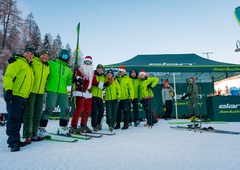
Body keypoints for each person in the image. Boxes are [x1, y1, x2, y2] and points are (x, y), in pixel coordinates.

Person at [3, 47, 34, 152]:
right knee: (14, 118)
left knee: (18, 119)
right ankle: (13, 142)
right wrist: (8, 90)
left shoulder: (29, 67)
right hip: (15, 94)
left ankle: (15, 138)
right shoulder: (17, 61)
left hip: (23, 96)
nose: (29, 55)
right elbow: (8, 76)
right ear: (24, 54)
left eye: (31, 54)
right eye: (27, 53)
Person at [38, 49, 72, 137]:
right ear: (60, 55)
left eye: (66, 56)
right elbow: (41, 64)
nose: (64, 58)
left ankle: (63, 128)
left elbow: (69, 81)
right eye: (63, 56)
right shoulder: (52, 63)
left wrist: (74, 80)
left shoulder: (68, 69)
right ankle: (41, 128)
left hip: (63, 91)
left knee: (65, 109)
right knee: (50, 108)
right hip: (52, 89)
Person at [22, 50, 50, 144]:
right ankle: (27, 135)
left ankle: (34, 134)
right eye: (43, 55)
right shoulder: (34, 61)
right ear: (39, 56)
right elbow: (25, 59)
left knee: (38, 114)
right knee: (29, 113)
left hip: (41, 92)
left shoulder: (47, 67)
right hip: (31, 91)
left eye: (47, 56)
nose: (45, 57)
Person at [70, 56, 95, 133]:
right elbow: (75, 77)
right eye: (86, 62)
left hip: (88, 93)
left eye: (89, 63)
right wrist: (78, 79)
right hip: (80, 91)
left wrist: (103, 84)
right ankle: (73, 125)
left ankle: (83, 125)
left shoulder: (92, 72)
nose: (88, 64)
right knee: (79, 109)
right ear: (84, 62)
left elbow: (95, 82)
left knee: (87, 110)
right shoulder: (80, 69)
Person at [114, 66, 134, 130]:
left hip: (125, 98)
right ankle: (118, 124)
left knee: (126, 112)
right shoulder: (116, 79)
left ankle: (126, 124)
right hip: (118, 98)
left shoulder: (128, 79)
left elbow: (131, 89)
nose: (121, 73)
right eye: (120, 72)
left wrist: (131, 97)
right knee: (118, 112)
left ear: (124, 72)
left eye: (122, 72)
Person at [91, 64, 107, 132]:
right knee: (94, 111)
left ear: (102, 70)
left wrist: (106, 85)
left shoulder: (104, 76)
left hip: (99, 96)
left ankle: (98, 123)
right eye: (98, 68)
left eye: (100, 69)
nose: (99, 70)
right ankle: (94, 125)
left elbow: (105, 85)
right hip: (93, 95)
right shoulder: (93, 75)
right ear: (96, 69)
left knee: (101, 111)